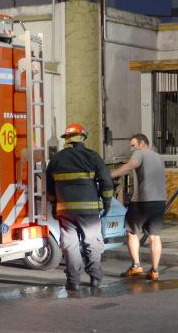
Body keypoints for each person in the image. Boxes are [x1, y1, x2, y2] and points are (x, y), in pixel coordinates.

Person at [46, 123, 114, 291]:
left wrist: (55, 206)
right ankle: (95, 278)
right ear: (83, 137)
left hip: (65, 212)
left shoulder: (56, 159)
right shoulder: (93, 157)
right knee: (93, 243)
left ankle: (73, 281)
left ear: (66, 139)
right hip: (90, 212)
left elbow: (49, 188)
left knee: (70, 246)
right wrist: (107, 204)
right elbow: (106, 182)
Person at [110, 133, 166, 281]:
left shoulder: (140, 153)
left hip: (142, 201)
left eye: (133, 145)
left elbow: (130, 166)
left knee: (131, 233)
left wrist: (109, 175)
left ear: (142, 144)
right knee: (155, 236)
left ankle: (136, 265)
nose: (132, 149)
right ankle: (154, 271)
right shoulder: (158, 157)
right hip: (159, 201)